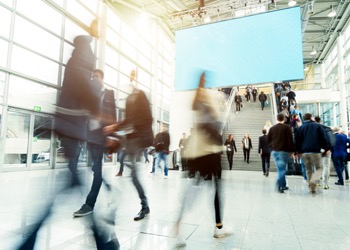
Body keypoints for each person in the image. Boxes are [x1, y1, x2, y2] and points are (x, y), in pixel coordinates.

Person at [175, 72, 232, 248]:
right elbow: (210, 124)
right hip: (209, 152)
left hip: (200, 151)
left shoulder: (201, 99)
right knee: (214, 189)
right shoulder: (205, 99)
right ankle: (218, 227)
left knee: (197, 188)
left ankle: (179, 224)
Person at [104, 69, 153, 221]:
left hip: (138, 139)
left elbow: (147, 119)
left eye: (134, 76)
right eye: (130, 75)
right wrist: (115, 127)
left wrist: (124, 127)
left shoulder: (140, 96)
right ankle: (143, 204)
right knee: (129, 169)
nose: (131, 79)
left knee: (133, 174)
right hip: (132, 139)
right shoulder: (130, 99)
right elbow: (128, 120)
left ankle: (144, 206)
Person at [73, 69, 117, 217]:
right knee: (95, 170)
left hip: (102, 138)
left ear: (103, 78)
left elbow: (113, 115)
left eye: (97, 77)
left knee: (96, 170)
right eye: (92, 77)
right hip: (91, 137)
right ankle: (111, 189)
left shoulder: (109, 93)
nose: (94, 79)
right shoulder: (90, 95)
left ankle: (89, 204)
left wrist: (112, 136)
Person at [295, 113, 330, 194]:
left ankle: (312, 188)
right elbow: (323, 138)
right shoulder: (318, 126)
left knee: (308, 170)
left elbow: (297, 141)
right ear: (311, 118)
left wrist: (298, 152)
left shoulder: (300, 128)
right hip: (315, 151)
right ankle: (313, 181)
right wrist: (327, 148)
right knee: (319, 168)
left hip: (304, 152)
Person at [267, 113, 294, 193]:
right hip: (283, 151)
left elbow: (268, 140)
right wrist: (292, 150)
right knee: (282, 169)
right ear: (284, 119)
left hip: (274, 151)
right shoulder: (287, 127)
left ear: (277, 119)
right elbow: (290, 140)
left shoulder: (272, 128)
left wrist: (272, 147)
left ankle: (283, 185)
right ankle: (278, 184)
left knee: (280, 168)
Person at [314, 116, 335, 189]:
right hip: (327, 150)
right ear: (320, 121)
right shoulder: (327, 128)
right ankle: (325, 184)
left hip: (317, 150)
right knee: (326, 166)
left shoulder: (313, 129)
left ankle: (318, 182)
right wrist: (328, 149)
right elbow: (332, 140)